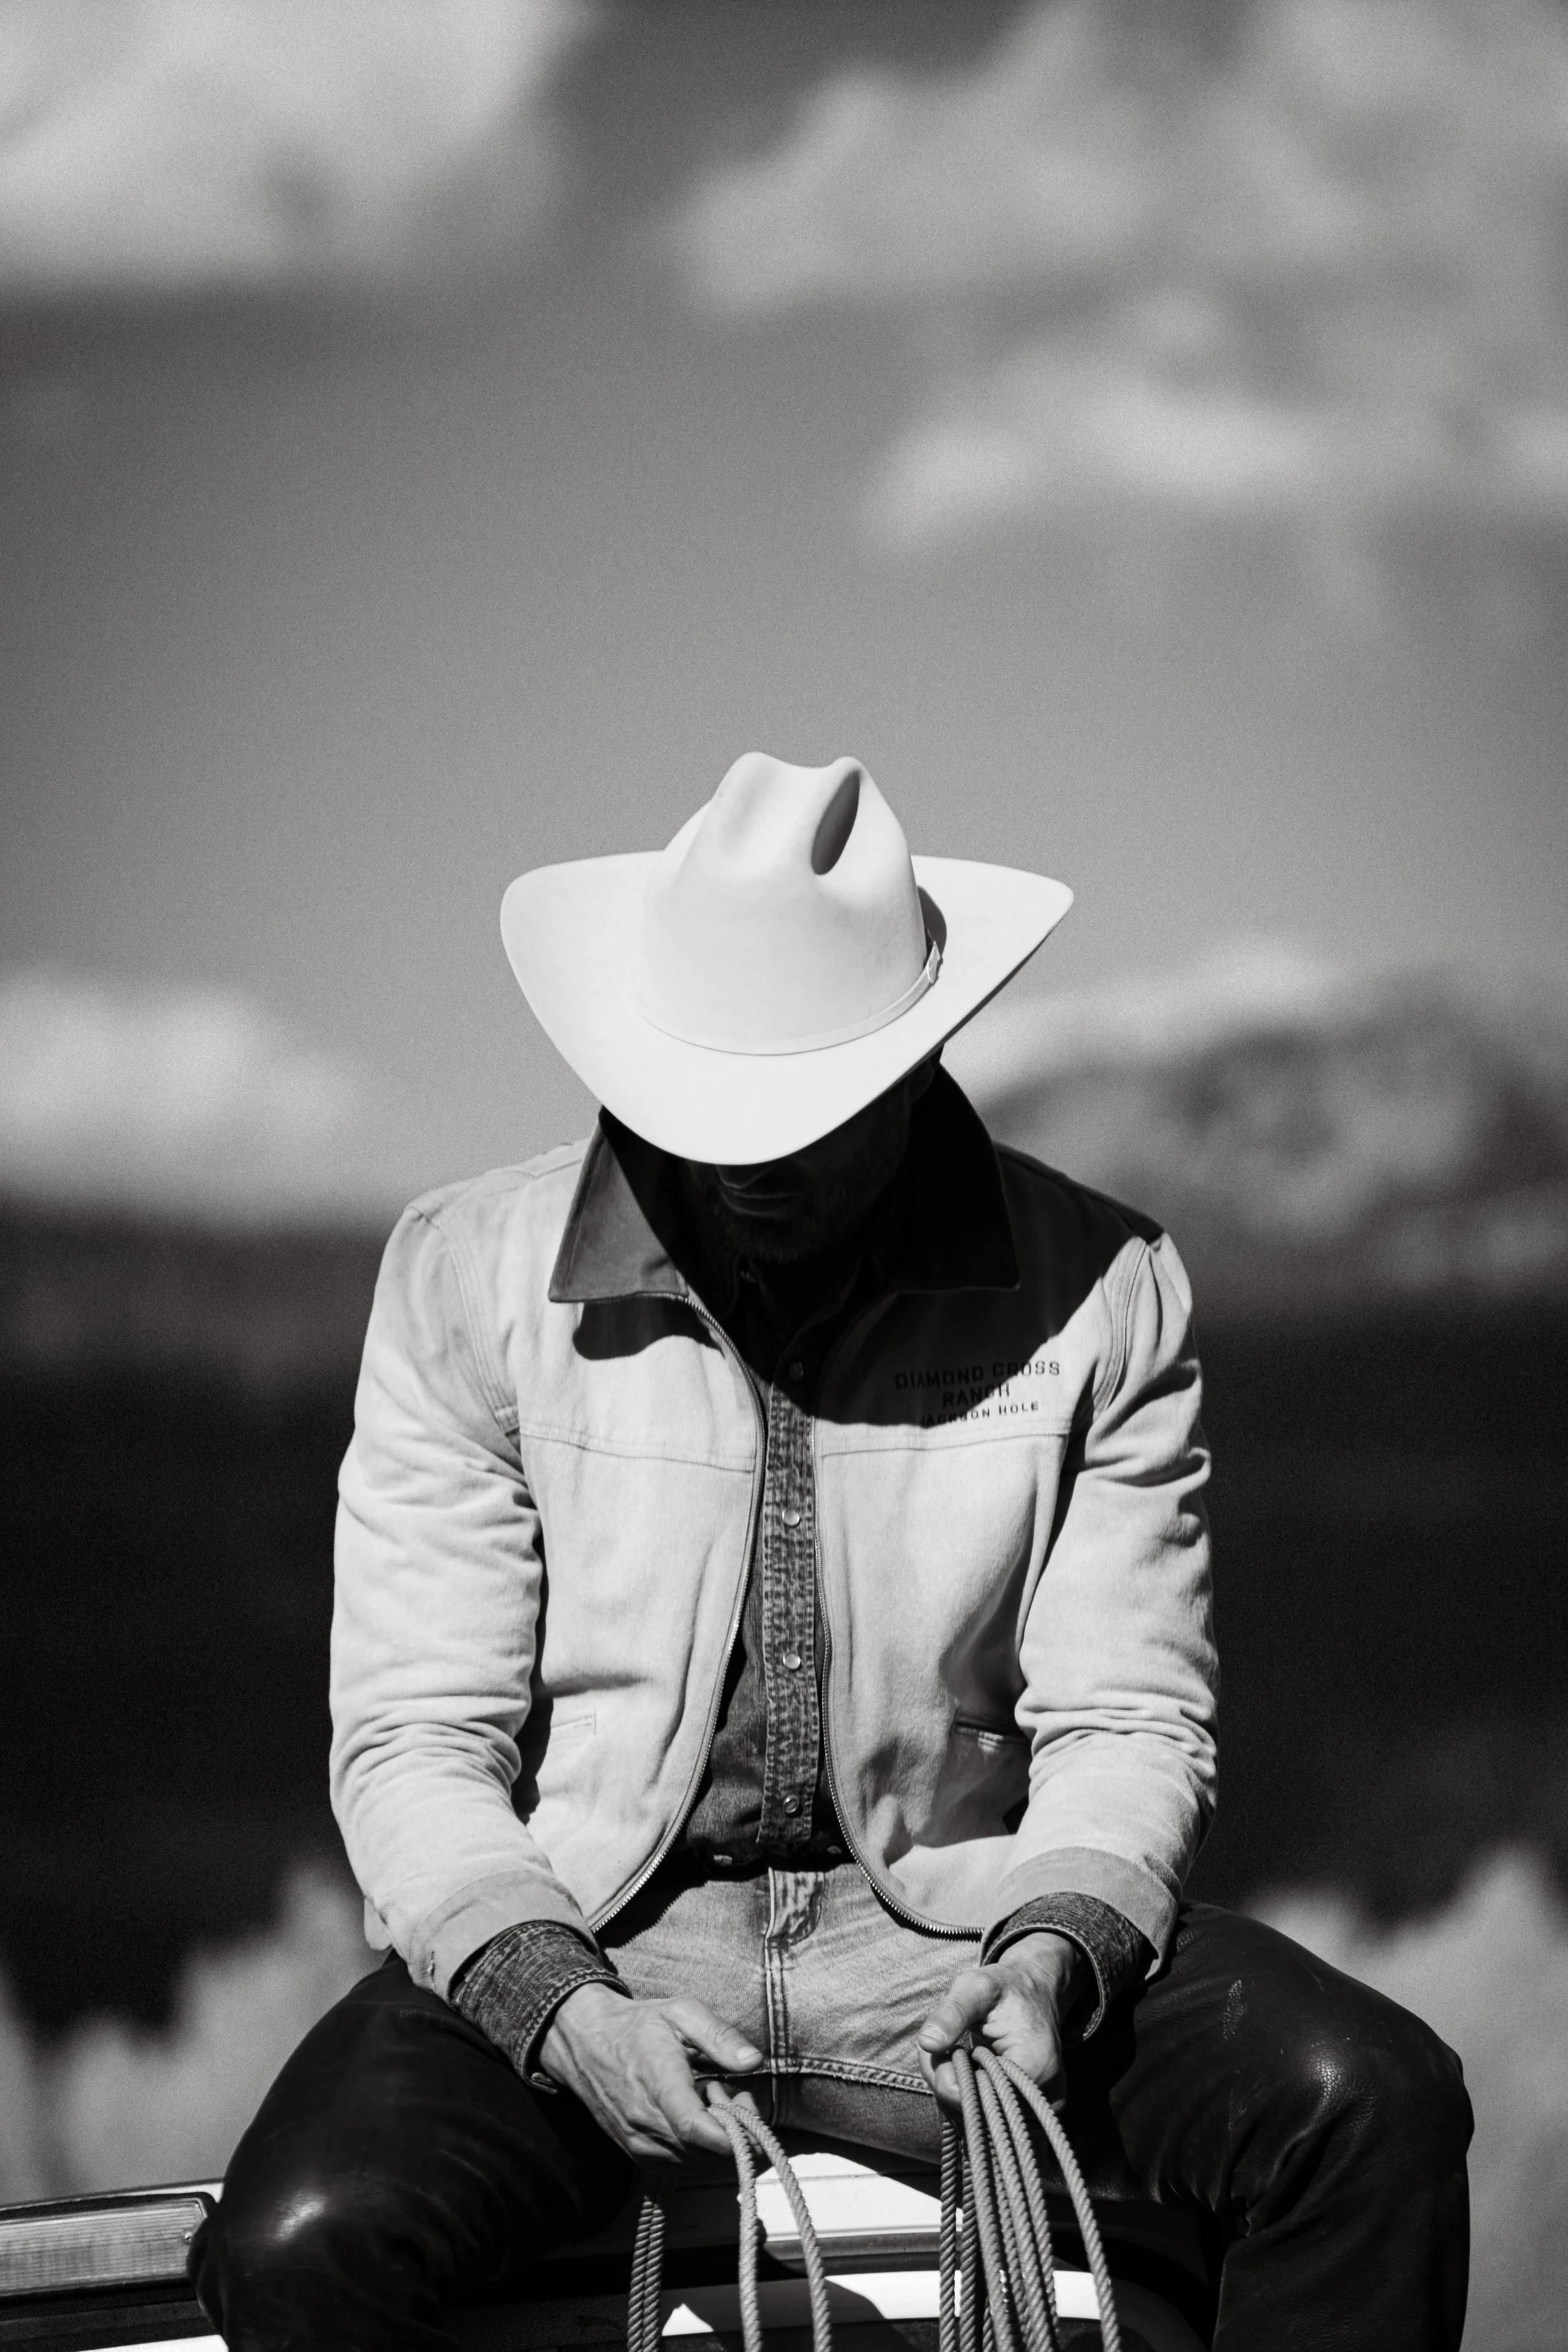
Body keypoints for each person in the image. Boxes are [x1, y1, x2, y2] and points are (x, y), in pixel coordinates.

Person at [192, 753, 1470, 2351]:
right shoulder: (464, 1277)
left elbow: (1126, 1718)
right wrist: (561, 2008)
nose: (755, 1163)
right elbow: (412, 1741)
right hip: (595, 1925)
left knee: (1368, 2108)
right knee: (303, 2240)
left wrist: (1054, 1954)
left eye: (805, 1118)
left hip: (955, 1934)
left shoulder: (1105, 1287)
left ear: (912, 1063)